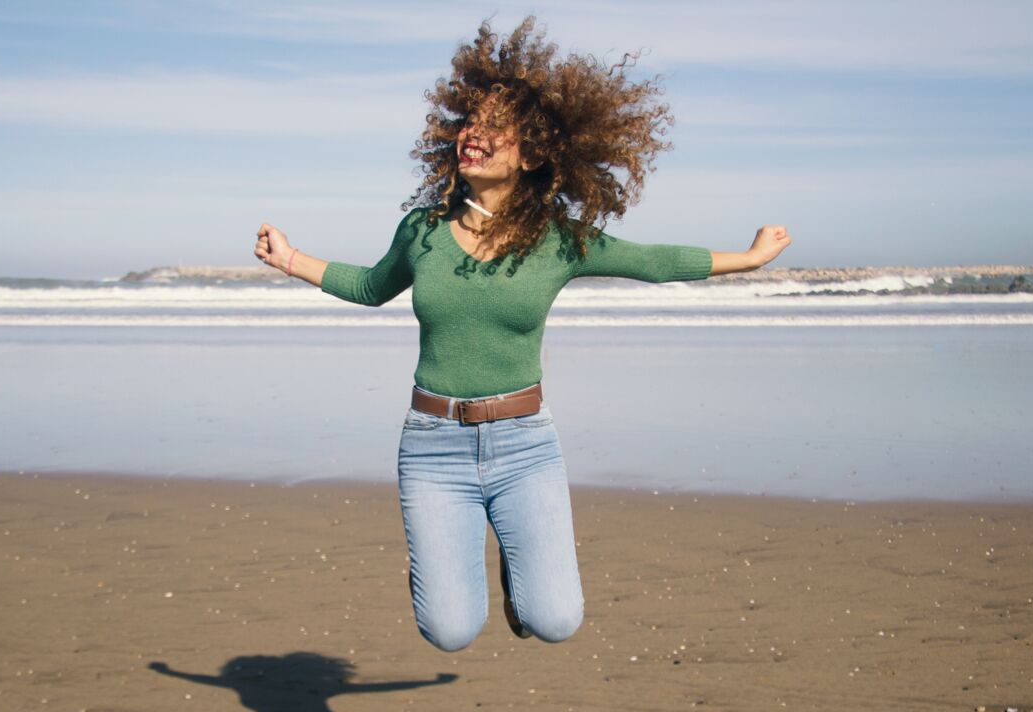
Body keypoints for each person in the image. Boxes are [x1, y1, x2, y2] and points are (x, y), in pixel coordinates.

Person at [254, 16, 791, 652]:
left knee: (555, 621)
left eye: (493, 128)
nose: (472, 135)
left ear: (532, 154)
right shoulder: (421, 231)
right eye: (468, 122)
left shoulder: (557, 241)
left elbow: (654, 263)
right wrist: (291, 258)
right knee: (449, 631)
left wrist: (748, 258)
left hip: (524, 445)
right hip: (433, 445)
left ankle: (518, 573)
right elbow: (372, 286)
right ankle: (439, 570)